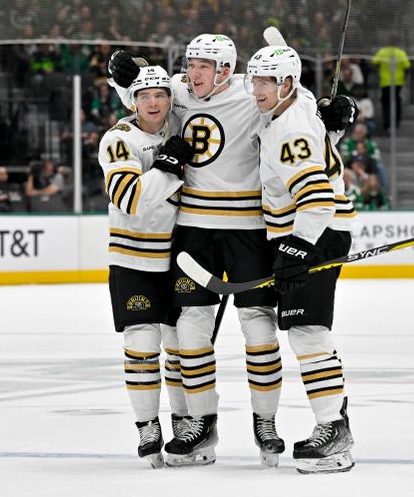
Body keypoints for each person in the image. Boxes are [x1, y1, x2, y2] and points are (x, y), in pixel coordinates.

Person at [108, 35, 281, 467]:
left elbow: (293, 105)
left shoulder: (250, 91)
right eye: (190, 64)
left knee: (259, 328)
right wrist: (119, 73)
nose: (193, 74)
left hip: (247, 230)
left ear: (226, 70)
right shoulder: (177, 90)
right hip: (193, 232)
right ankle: (201, 422)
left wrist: (331, 118)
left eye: (204, 66)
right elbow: (141, 94)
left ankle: (266, 422)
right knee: (188, 333)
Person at [244, 44, 358, 474]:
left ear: (287, 84)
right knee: (306, 332)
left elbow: (317, 199)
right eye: (253, 80)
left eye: (264, 82)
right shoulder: (301, 102)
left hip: (314, 232)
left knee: (308, 332)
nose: (255, 89)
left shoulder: (290, 131)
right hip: (305, 234)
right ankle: (335, 421)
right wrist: (334, 129)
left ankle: (333, 429)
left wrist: (296, 247)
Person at [97, 66, 189, 468]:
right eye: (145, 95)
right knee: (141, 348)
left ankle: (186, 422)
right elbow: (130, 199)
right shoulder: (118, 140)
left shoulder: (179, 127)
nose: (154, 102)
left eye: (161, 94)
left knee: (184, 348)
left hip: (177, 256)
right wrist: (168, 168)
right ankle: (147, 425)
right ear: (131, 100)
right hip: (133, 260)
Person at [371, 35, 411, 132]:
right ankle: (396, 123)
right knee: (397, 102)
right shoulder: (400, 52)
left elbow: (373, 62)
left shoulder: (382, 52)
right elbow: (407, 65)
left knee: (386, 103)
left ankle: (387, 124)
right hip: (398, 82)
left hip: (385, 82)